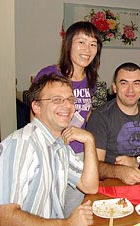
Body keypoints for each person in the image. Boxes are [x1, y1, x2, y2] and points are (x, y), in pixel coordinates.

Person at [0, 74, 99, 226]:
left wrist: (89, 140)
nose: (67, 106)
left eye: (70, 100)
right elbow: (6, 218)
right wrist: (67, 223)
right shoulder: (21, 145)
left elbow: (90, 186)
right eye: (57, 100)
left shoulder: (60, 146)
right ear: (36, 107)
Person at [86, 62, 140, 185]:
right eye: (124, 83)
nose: (130, 89)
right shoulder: (101, 116)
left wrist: (137, 161)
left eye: (136, 83)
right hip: (112, 182)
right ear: (114, 87)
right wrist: (120, 172)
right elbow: (94, 166)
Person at [33, 21, 103, 154]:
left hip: (80, 151)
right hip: (52, 149)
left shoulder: (91, 79)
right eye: (81, 42)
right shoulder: (49, 74)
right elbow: (35, 114)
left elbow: (87, 114)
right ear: (68, 44)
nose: (87, 50)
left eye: (93, 44)